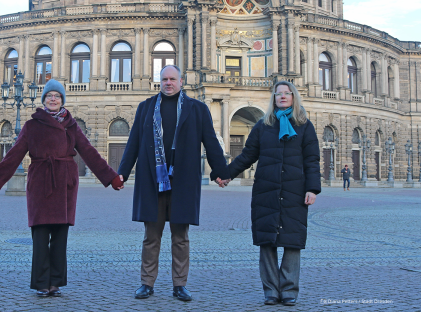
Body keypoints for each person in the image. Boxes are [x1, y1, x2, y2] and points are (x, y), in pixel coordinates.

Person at [0, 79, 123, 297]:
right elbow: (14, 154)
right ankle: (41, 282)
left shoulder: (71, 125)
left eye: (57, 96)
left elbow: (89, 152)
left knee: (60, 236)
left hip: (65, 183)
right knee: (40, 235)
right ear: (43, 100)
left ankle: (56, 281)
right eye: (49, 96)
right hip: (41, 181)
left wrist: (111, 177)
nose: (53, 99)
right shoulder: (32, 125)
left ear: (62, 100)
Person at [116, 65, 231, 302]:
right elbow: (133, 143)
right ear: (160, 81)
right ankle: (147, 283)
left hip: (183, 182)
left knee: (181, 237)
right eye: (164, 79)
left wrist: (220, 171)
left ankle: (180, 285)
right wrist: (122, 173)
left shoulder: (197, 109)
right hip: (152, 181)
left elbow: (211, 142)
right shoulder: (146, 108)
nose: (168, 83)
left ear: (181, 82)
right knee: (151, 236)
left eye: (172, 79)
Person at [226, 81, 321, 306]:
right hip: (266, 190)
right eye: (278, 94)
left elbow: (312, 160)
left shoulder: (305, 126)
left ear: (294, 97)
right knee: (267, 241)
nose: (282, 97)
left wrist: (312, 188)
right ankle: (270, 290)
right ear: (274, 99)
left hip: (294, 190)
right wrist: (225, 174)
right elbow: (247, 155)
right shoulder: (262, 126)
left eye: (287, 94)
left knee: (292, 241)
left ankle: (289, 290)